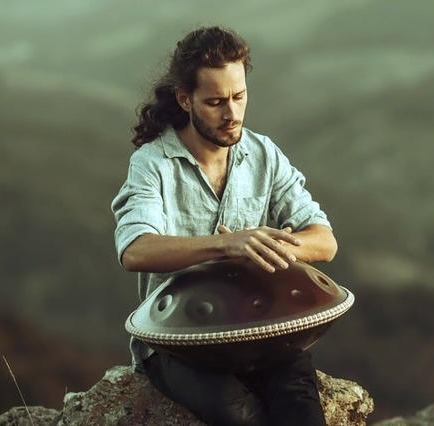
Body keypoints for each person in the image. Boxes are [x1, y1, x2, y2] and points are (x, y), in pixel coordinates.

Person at [110, 25, 337, 425]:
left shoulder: (264, 153)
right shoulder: (152, 164)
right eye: (215, 102)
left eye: (239, 97)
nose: (232, 114)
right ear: (185, 99)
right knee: (241, 416)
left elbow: (324, 241)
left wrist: (264, 246)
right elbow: (135, 250)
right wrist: (226, 245)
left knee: (300, 407)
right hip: (179, 343)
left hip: (256, 328)